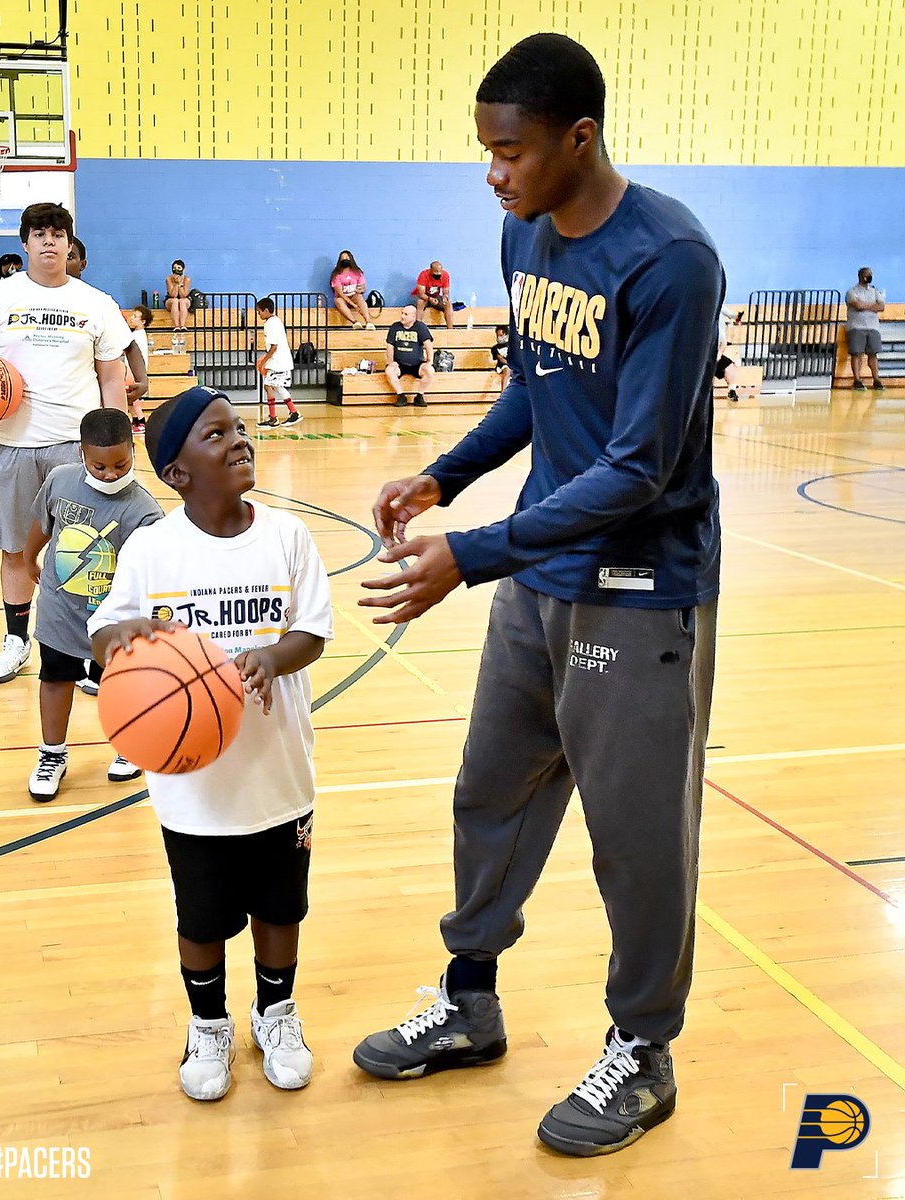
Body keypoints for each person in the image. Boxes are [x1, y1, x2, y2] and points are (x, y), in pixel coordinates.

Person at [353, 32, 723, 1160]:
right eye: (485, 150)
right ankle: (471, 998)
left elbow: (639, 467)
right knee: (490, 791)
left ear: (579, 137)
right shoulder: (523, 234)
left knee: (635, 837)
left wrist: (472, 550)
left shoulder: (669, 262)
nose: (493, 173)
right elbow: (536, 386)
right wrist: (445, 474)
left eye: (509, 150)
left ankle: (644, 1052)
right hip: (536, 571)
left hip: (641, 585)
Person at [88, 386, 333, 1101]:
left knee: (281, 908)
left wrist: (272, 658)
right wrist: (119, 641)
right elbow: (106, 629)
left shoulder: (288, 537)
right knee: (200, 916)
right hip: (192, 786)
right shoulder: (152, 548)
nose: (238, 439)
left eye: (239, 427)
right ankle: (208, 1025)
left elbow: (312, 630)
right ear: (177, 473)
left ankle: (277, 1011)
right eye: (215, 433)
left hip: (279, 771)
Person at [0, 202, 130, 685]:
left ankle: (90, 648)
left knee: (85, 551)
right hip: (10, 443)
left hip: (77, 446)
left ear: (70, 245)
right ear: (25, 244)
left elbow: (112, 376)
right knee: (12, 548)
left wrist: (117, 437)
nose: (49, 241)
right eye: (39, 233)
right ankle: (15, 640)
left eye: (57, 233)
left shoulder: (97, 303)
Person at [22, 408, 164, 800]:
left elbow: (151, 573)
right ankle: (52, 753)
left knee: (119, 683)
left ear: (133, 450)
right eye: (99, 465)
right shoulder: (60, 481)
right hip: (60, 608)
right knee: (54, 676)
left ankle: (129, 744)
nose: (110, 473)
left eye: (120, 463)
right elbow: (41, 522)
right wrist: (29, 557)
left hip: (111, 619)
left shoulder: (144, 511)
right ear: (81, 454)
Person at [64, 236, 149, 417]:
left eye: (70, 257)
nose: (63, 262)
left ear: (83, 264)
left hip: (90, 404)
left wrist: (142, 381)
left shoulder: (99, 302)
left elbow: (129, 345)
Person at [254, 298, 302, 427]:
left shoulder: (270, 324)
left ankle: (276, 417)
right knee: (273, 386)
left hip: (279, 362)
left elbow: (274, 347)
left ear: (266, 310)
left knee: (271, 386)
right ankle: (290, 413)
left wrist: (263, 361)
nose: (259, 315)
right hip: (280, 360)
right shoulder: (276, 321)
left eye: (259, 312)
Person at [384, 304, 435, 407]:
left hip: (417, 364)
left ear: (413, 317)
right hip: (400, 364)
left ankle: (419, 396)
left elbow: (428, 344)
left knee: (430, 371)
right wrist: (391, 362)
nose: (402, 316)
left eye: (406, 314)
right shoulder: (395, 327)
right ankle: (401, 396)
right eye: (402, 313)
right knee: (389, 371)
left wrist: (430, 361)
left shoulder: (420, 327)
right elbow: (390, 346)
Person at [845, 266, 885, 390]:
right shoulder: (852, 291)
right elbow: (857, 305)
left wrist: (865, 305)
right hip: (856, 327)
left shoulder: (874, 291)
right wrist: (872, 306)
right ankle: (857, 380)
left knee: (873, 354)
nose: (870, 276)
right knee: (856, 354)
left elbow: (881, 306)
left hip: (873, 327)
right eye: (868, 274)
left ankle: (876, 380)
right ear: (862, 276)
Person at [124, 305, 152, 435]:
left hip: (132, 371)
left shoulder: (136, 336)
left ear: (143, 321)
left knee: (133, 398)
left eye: (135, 316)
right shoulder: (138, 334)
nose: (132, 318)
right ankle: (135, 420)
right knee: (129, 398)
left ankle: (141, 420)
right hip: (131, 370)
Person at [330, 250, 375, 329]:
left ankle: (368, 322)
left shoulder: (357, 272)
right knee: (338, 301)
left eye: (347, 257)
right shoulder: (336, 275)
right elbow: (340, 293)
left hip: (354, 296)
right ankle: (355, 322)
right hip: (343, 298)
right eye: (342, 258)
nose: (345, 259)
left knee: (360, 298)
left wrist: (361, 290)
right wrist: (353, 305)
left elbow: (362, 287)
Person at [413, 261, 454, 328]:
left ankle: (450, 329)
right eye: (436, 272)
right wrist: (430, 299)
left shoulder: (445, 275)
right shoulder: (423, 275)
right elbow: (421, 294)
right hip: (424, 297)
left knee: (448, 303)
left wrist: (445, 298)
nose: (438, 274)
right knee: (420, 302)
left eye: (439, 272)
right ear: (431, 271)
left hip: (435, 297)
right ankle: (418, 327)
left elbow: (446, 292)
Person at [715, 308, 739, 402]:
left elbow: (723, 341)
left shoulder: (718, 308)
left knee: (729, 366)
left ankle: (732, 391)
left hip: (715, 351)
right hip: (700, 352)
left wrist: (719, 354)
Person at [165, 260, 192, 333]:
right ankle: (176, 326)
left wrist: (180, 284)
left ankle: (182, 325)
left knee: (182, 301)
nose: (176, 270)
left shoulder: (187, 279)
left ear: (183, 269)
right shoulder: (169, 279)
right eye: (174, 268)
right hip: (171, 300)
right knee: (175, 301)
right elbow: (173, 295)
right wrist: (176, 284)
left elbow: (183, 295)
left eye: (178, 268)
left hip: (184, 299)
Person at [490, 323, 510, 389]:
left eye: (501, 335)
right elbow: (501, 359)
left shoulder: (512, 346)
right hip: (501, 366)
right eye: (498, 335)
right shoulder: (495, 348)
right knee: (507, 370)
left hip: (512, 365)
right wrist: (510, 364)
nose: (499, 337)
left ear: (506, 335)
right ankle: (503, 392)